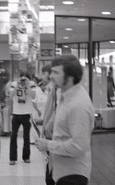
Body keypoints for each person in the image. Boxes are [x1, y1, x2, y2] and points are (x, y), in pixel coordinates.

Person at [36, 54, 94, 185]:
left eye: (56, 72)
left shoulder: (79, 104)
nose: (51, 76)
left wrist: (48, 145)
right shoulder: (64, 94)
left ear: (70, 77)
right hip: (58, 168)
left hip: (72, 174)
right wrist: (50, 125)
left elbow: (79, 146)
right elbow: (60, 114)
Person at [9, 71, 36, 165]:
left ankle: (26, 157)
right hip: (16, 113)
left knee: (26, 136)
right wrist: (17, 85)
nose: (23, 80)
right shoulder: (14, 84)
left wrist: (28, 85)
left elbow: (33, 96)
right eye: (22, 78)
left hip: (27, 113)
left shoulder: (31, 84)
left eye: (25, 79)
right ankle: (12, 158)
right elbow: (10, 96)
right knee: (13, 136)